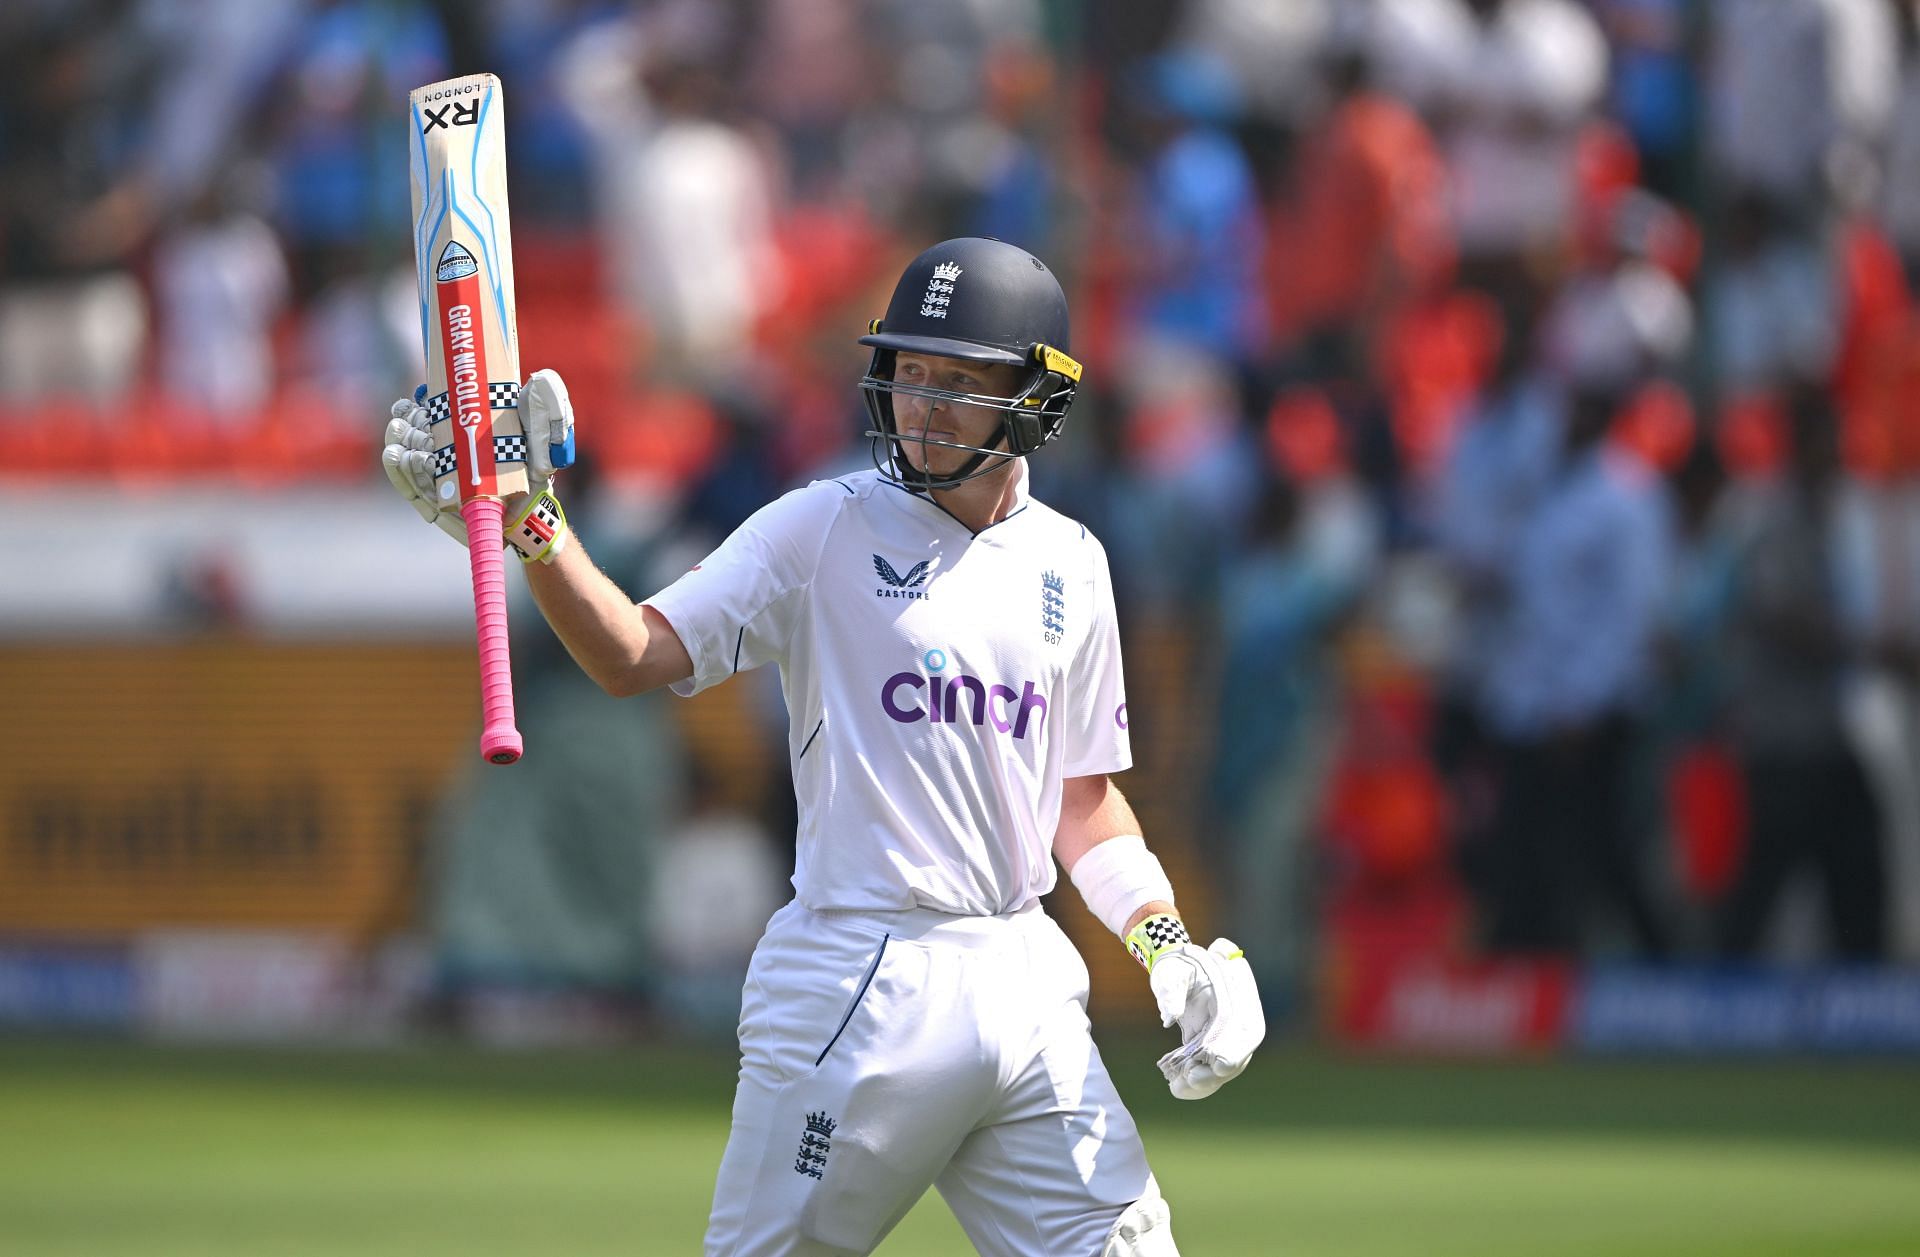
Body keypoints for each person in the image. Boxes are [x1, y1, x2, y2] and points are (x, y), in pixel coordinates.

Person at [382, 236, 1265, 1256]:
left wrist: (1167, 953)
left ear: (1034, 396)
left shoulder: (1073, 560)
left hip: (1028, 980)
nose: (924, 404)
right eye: (911, 374)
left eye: (959, 382)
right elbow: (633, 653)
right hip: (861, 977)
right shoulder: (821, 527)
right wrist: (534, 524)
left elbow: (1083, 798)